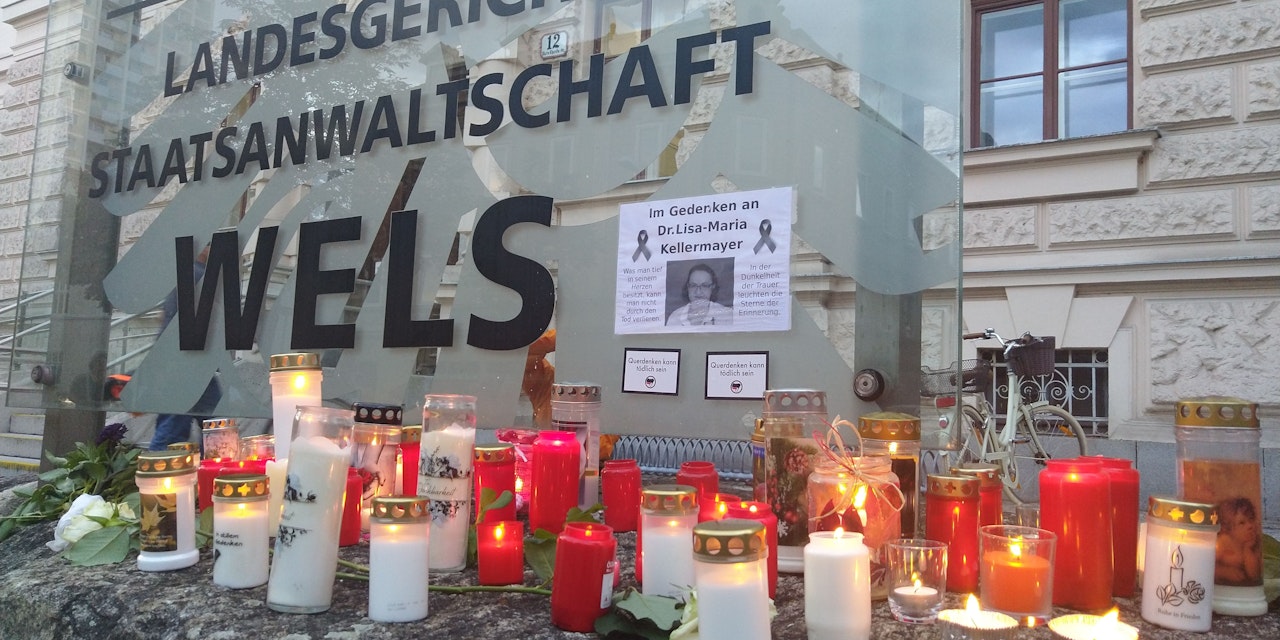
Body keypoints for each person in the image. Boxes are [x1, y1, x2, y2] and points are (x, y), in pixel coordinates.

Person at [150, 247, 222, 451]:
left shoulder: (188, 273)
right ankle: (159, 464)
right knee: (209, 426)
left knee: (214, 425)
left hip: (187, 364)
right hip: (189, 365)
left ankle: (212, 462)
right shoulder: (198, 275)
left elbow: (169, 320)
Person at [1215, 496, 1262, 585]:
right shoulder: (1224, 541)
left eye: (1251, 519)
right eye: (1242, 523)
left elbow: (1254, 576)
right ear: (1227, 528)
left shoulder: (1254, 542)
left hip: (1243, 585)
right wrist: (1224, 572)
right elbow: (1207, 564)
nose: (1250, 526)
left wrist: (1247, 550)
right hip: (1222, 585)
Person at [667, 263, 733, 326]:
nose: (698, 292)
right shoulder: (675, 317)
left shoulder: (726, 315)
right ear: (688, 287)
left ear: (713, 287)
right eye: (693, 285)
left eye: (704, 286)